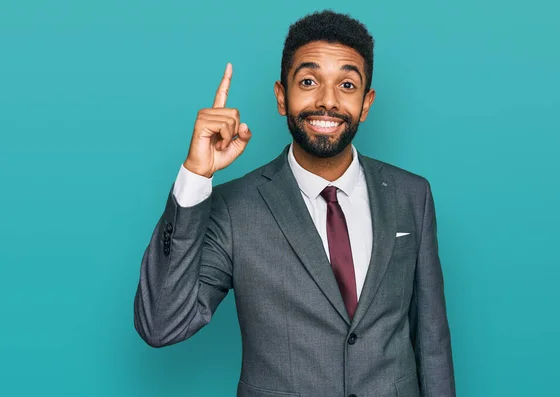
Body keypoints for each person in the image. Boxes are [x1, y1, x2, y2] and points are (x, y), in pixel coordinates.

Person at [134, 9, 455, 397]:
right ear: (281, 97)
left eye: (347, 86)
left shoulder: (412, 195)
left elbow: (432, 343)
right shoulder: (235, 208)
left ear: (366, 104)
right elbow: (161, 324)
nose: (327, 101)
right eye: (308, 81)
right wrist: (195, 176)